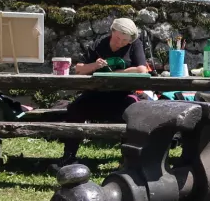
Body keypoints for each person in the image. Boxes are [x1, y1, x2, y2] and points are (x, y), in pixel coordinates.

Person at [51, 17, 147, 172]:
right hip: (96, 95)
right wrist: (95, 65)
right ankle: (69, 156)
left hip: (122, 96)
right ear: (112, 31)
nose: (120, 43)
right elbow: (80, 69)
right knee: (75, 108)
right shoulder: (99, 44)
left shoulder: (134, 44)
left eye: (125, 41)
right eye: (118, 38)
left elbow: (142, 69)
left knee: (135, 110)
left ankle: (128, 161)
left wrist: (116, 73)